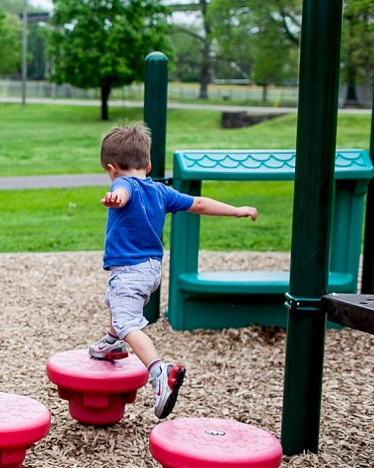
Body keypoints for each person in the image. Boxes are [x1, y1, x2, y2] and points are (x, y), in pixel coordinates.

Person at [90, 123, 258, 419]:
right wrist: (236, 209)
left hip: (129, 270)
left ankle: (159, 372)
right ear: (149, 164)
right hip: (151, 270)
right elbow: (200, 203)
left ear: (111, 168)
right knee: (118, 304)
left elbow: (123, 191)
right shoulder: (160, 191)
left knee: (128, 320)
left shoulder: (122, 185)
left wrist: (116, 197)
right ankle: (110, 345)